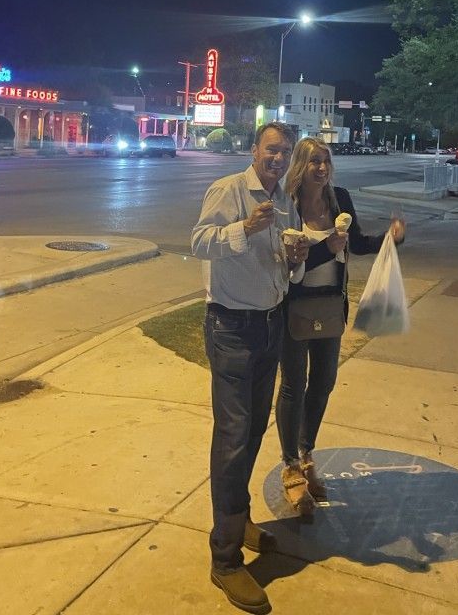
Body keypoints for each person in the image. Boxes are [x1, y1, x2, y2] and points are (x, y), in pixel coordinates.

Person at [191, 121, 309, 615]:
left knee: (253, 429)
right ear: (255, 150)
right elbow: (199, 242)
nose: (278, 159)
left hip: (269, 324)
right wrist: (245, 228)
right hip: (232, 328)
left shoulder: (287, 200)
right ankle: (224, 559)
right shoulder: (228, 189)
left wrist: (297, 258)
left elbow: (284, 268)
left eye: (285, 153)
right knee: (234, 436)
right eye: (272, 150)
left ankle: (237, 519)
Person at [274, 136, 405, 513]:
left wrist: (390, 240)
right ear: (301, 165)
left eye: (326, 161)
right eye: (314, 161)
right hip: (293, 308)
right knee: (293, 385)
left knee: (324, 381)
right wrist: (323, 250)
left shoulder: (339, 199)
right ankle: (290, 467)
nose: (322, 168)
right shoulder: (287, 205)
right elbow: (282, 263)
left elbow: (357, 243)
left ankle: (306, 451)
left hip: (331, 305)